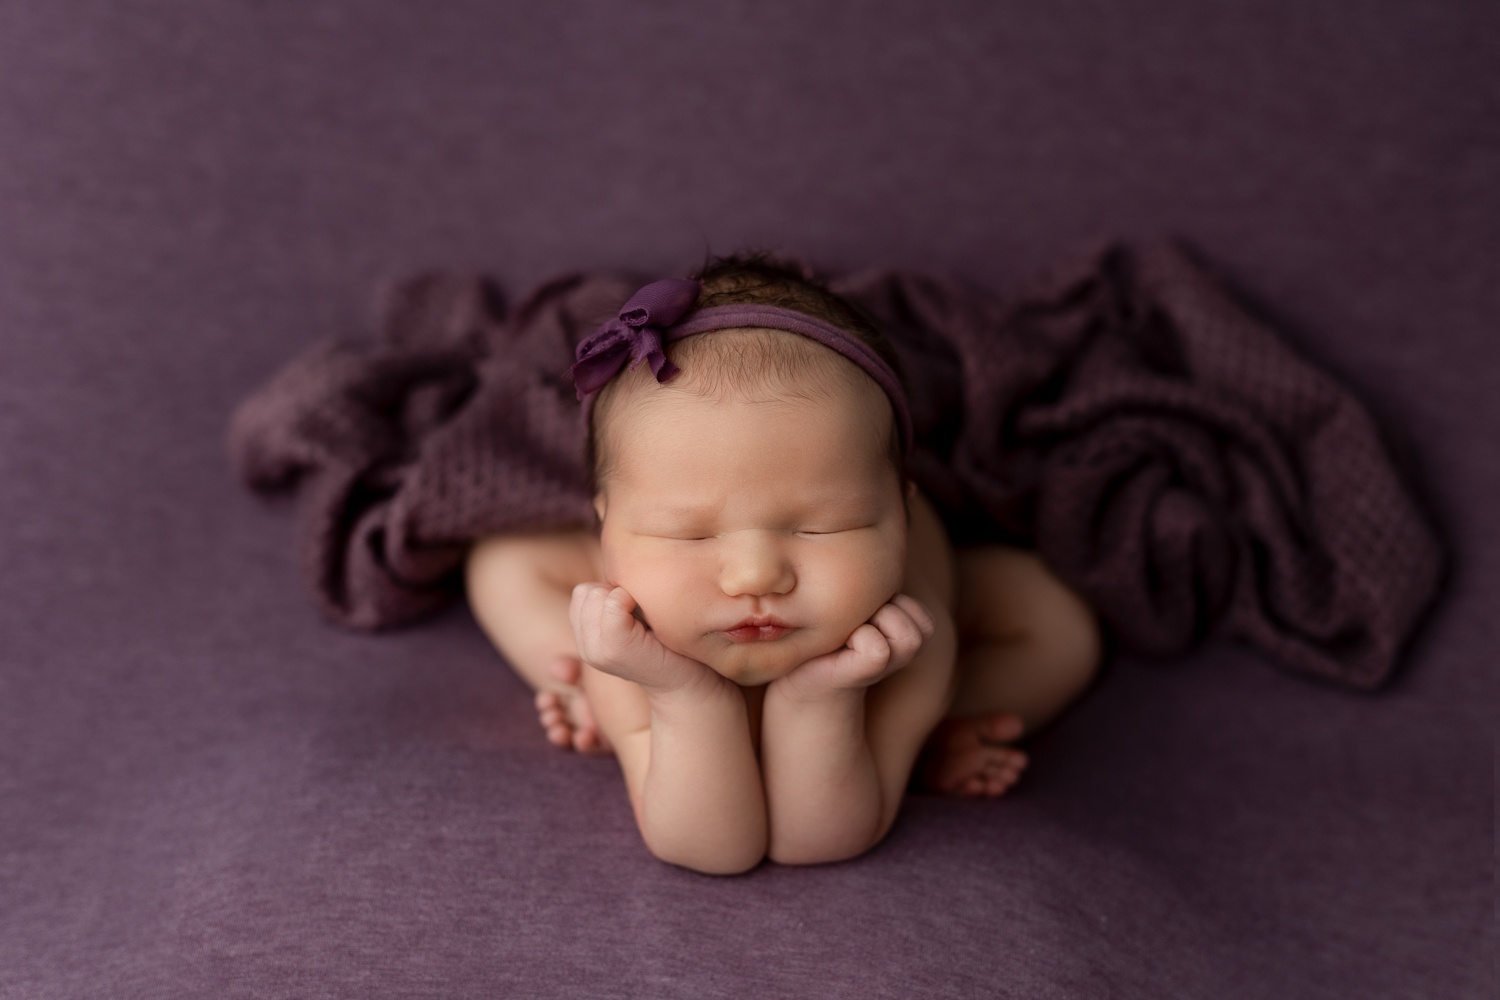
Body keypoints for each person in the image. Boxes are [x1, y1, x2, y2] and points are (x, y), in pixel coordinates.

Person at [465, 256, 1100, 874]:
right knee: (502, 561)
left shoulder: (907, 634)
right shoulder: (633, 640)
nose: (755, 577)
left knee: (1061, 624)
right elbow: (711, 848)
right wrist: (680, 694)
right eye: (685, 533)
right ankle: (572, 680)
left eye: (823, 526)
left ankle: (929, 733)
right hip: (657, 621)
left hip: (905, 635)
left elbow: (815, 842)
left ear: (901, 513)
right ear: (605, 522)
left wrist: (824, 698)